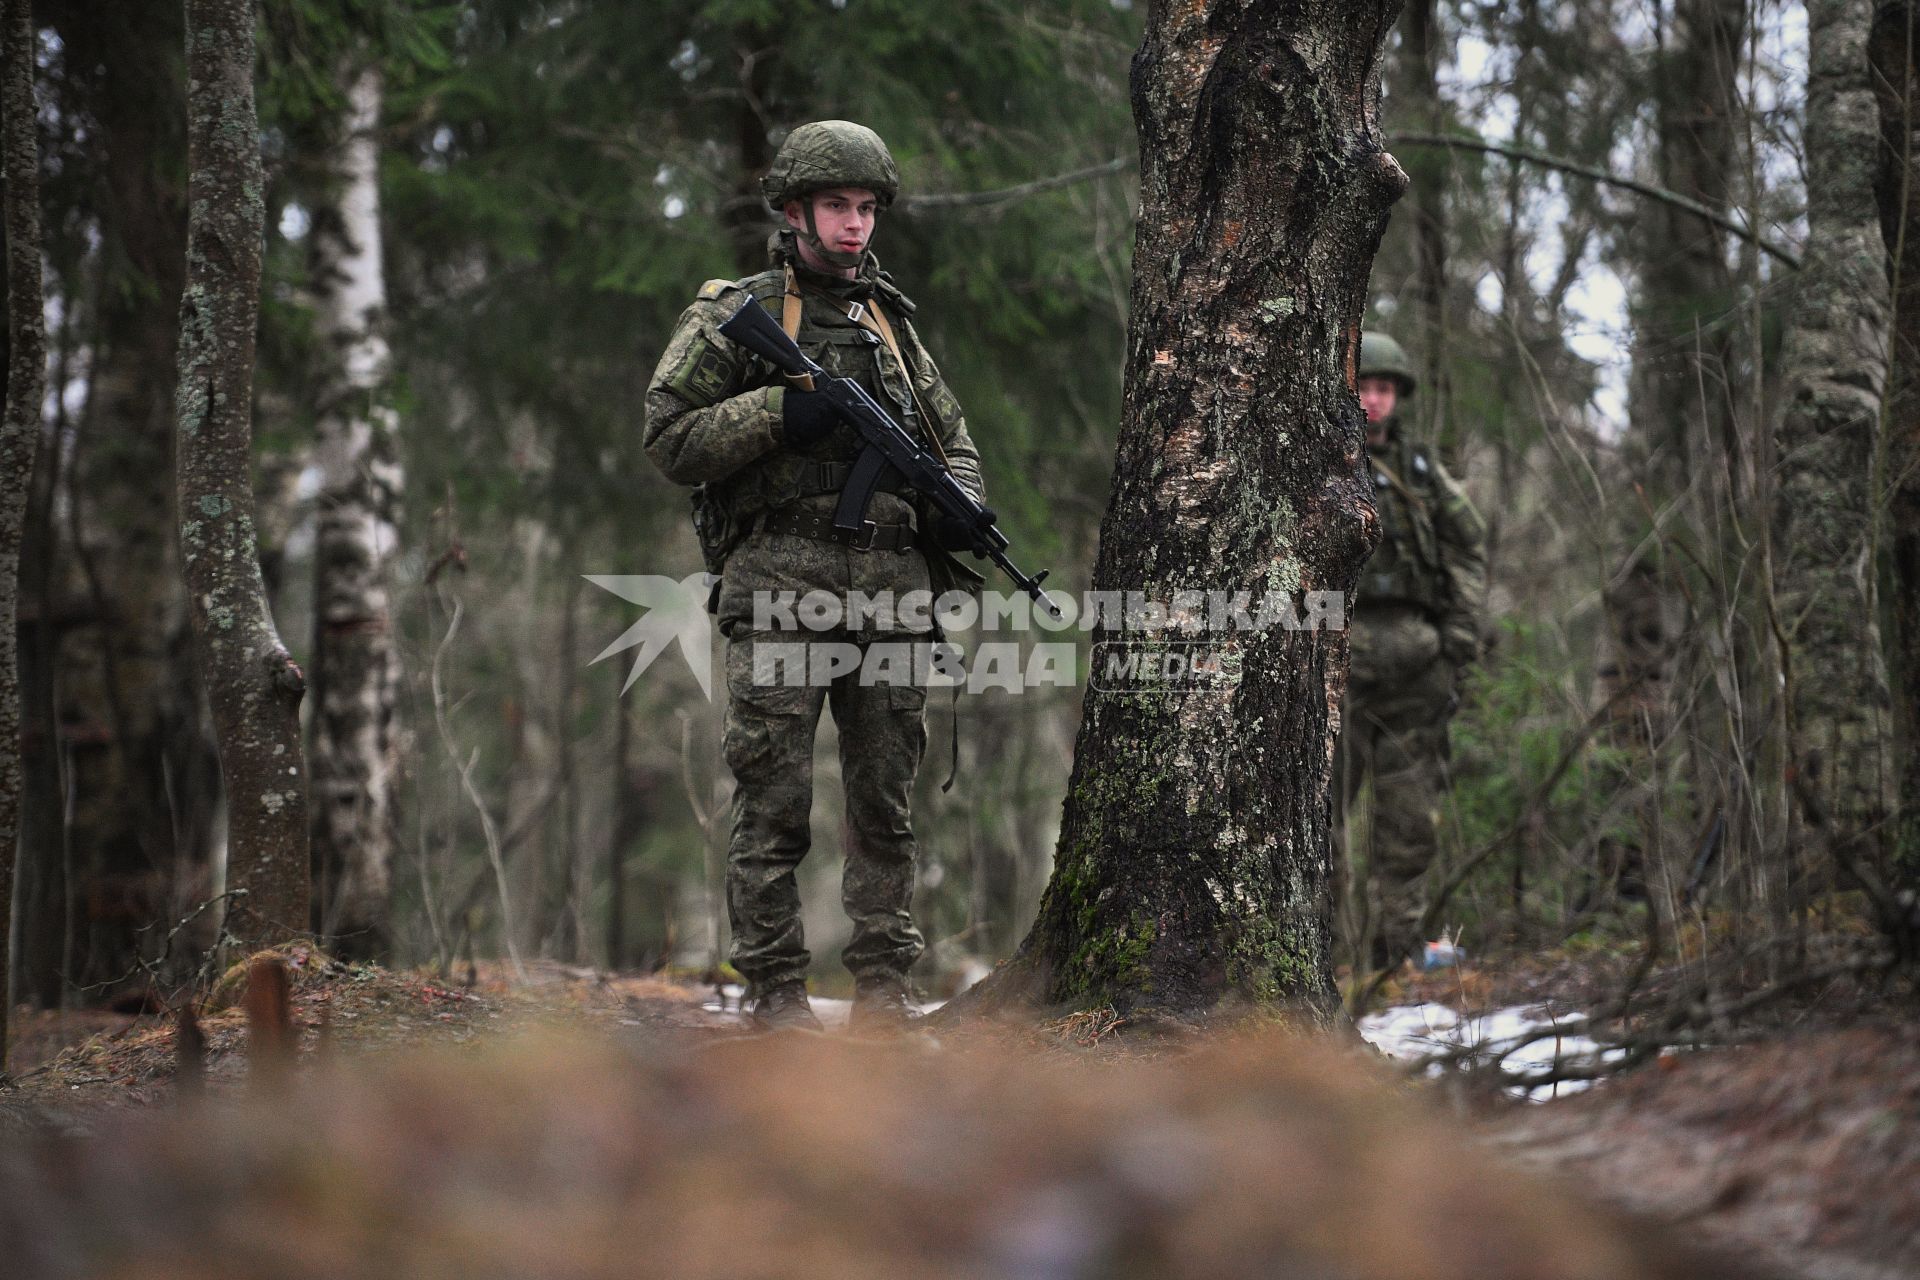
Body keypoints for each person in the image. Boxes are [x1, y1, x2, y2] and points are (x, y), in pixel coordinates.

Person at [643, 121, 985, 1032]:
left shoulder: (893, 329)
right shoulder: (736, 314)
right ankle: (775, 994)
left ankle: (884, 993)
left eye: (867, 208)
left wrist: (959, 504)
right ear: (794, 211)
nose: (855, 226)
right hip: (782, 592)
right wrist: (772, 416)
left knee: (885, 806)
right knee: (775, 801)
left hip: (891, 596)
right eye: (837, 206)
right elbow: (669, 438)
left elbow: (953, 443)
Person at [1337, 331, 1487, 969]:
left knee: (1407, 824)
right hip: (1334, 657)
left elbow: (1469, 545)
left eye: (1385, 389)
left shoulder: (1423, 472)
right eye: (1366, 386)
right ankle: (1317, 957)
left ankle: (1397, 956)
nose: (1375, 400)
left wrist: (1457, 636)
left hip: (1416, 664)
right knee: (1317, 817)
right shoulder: (1317, 459)